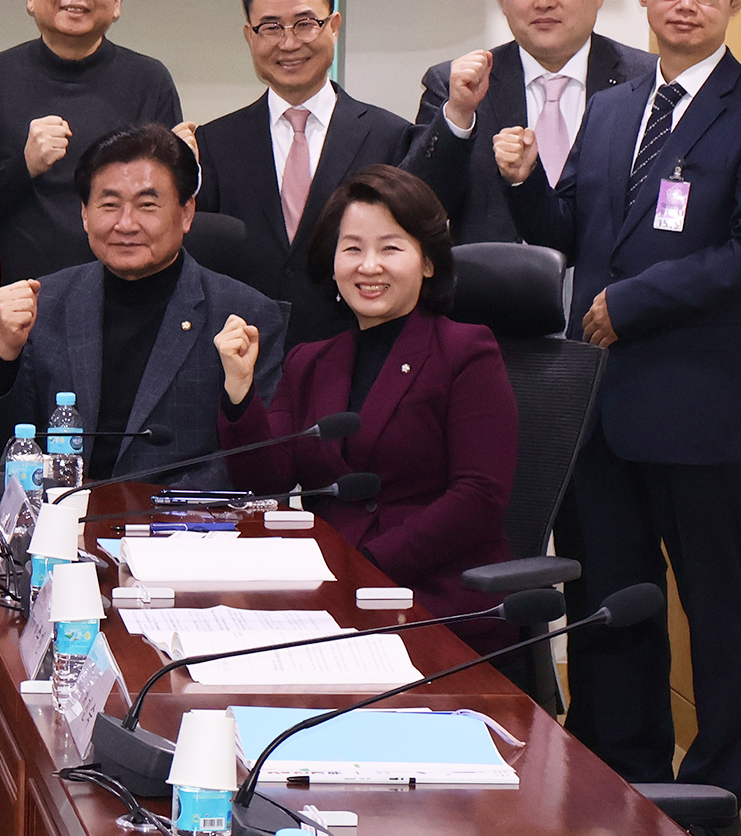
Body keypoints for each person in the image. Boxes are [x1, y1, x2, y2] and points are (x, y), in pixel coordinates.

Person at [499, 0, 741, 809]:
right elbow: (568, 231)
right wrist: (524, 181)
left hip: (696, 405)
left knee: (713, 604)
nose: (686, 4)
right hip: (597, 406)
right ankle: (623, 776)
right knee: (611, 600)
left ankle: (713, 795)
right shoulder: (613, 106)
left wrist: (631, 304)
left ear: (734, 2)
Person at [212, 165, 519, 654]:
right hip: (329, 594)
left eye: (390, 248)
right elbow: (268, 481)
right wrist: (240, 389)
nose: (369, 266)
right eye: (352, 248)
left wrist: (363, 565)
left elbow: (478, 498)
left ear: (428, 262)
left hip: (433, 600)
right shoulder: (310, 361)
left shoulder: (466, 351)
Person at [0, 125, 286, 485]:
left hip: (181, 515)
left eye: (147, 205)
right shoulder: (45, 303)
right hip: (64, 511)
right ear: (85, 214)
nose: (125, 224)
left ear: (187, 213)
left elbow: (260, 472)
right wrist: (5, 354)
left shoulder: (245, 316)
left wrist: (154, 509)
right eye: (109, 205)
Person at [194, 0, 461, 346]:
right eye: (271, 27)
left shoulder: (390, 135)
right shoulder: (214, 142)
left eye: (305, 23)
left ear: (334, 26)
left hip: (358, 351)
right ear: (250, 36)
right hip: (245, 354)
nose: (289, 43)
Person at [0, 0, 186, 289]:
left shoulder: (149, 80)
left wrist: (189, 165)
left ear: (118, 0)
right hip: (17, 292)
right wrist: (24, 166)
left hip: (127, 289)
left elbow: (169, 204)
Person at [408, 0, 655, 243]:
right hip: (493, 277)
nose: (544, 1)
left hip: (607, 276)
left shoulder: (647, 81)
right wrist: (458, 116)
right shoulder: (456, 87)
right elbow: (416, 211)